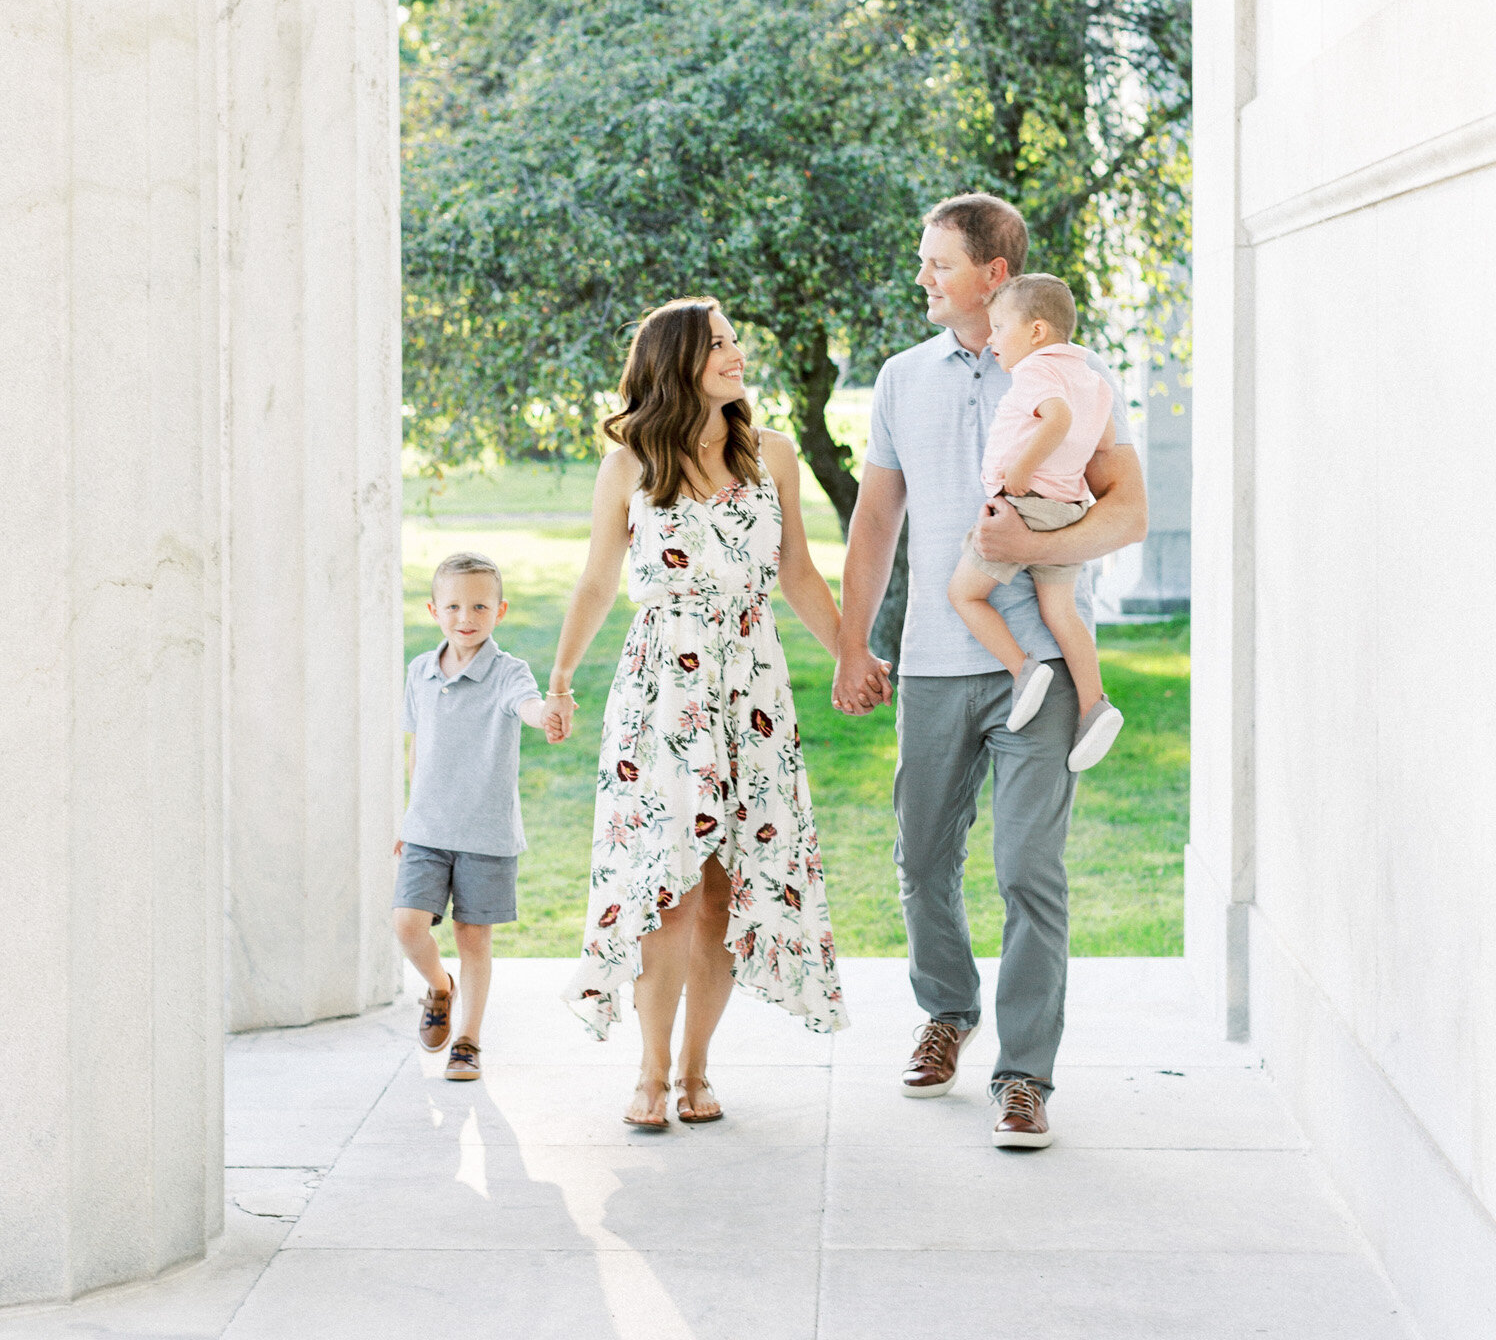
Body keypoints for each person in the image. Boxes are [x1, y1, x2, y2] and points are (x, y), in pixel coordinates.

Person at [832, 194, 1147, 1149]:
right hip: (933, 657)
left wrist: (1034, 537)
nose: (923, 277)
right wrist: (854, 641)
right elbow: (877, 519)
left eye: (938, 263)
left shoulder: (1080, 379)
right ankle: (948, 1011)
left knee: (1027, 872)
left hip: (1040, 665)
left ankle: (1025, 1076)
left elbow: (1128, 514)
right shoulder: (899, 378)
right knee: (923, 860)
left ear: (994, 276)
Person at [548, 297, 848, 1130]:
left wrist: (849, 655)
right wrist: (563, 678)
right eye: (717, 343)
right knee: (669, 884)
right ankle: (647, 1074)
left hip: (752, 683)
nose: (736, 352)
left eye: (734, 339)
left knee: (723, 887)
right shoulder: (631, 465)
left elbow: (799, 577)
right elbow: (596, 583)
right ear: (676, 360)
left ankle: (695, 1071)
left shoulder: (773, 456)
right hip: (662, 690)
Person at [947, 272, 1125, 772]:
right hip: (1065, 509)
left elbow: (1059, 419)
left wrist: (1021, 470)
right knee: (1061, 613)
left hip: (1024, 503)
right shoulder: (1093, 376)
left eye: (1000, 328)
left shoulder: (1037, 370)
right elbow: (1104, 440)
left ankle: (1024, 670)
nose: (992, 340)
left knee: (964, 594)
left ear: (1038, 331)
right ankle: (1094, 705)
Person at [392, 552, 557, 1083]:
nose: (467, 616)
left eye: (480, 606)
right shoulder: (419, 669)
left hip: (486, 833)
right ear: (433, 609)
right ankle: (440, 988)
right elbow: (419, 746)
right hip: (426, 829)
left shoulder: (510, 672)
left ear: (500, 610)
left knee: (473, 937)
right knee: (407, 925)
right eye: (455, 605)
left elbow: (527, 706)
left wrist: (546, 714)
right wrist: (408, 814)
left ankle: (468, 1040)